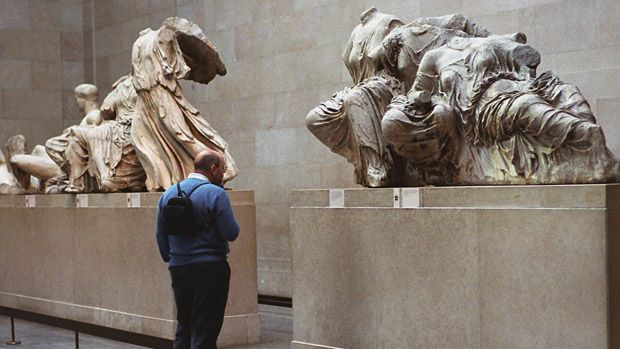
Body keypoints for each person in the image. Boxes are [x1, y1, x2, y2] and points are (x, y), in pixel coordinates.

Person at [156, 149, 240, 349]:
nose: (224, 174)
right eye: (223, 169)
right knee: (205, 328)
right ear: (213, 169)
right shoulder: (215, 193)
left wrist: (173, 258)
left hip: (179, 268)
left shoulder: (168, 193)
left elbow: (161, 234)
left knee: (185, 325)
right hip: (210, 268)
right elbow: (231, 232)